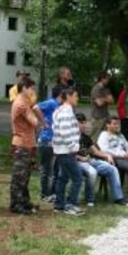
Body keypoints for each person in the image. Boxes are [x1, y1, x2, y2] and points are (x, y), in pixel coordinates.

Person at [75, 113, 128, 207]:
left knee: (112, 169)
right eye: (81, 123)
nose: (84, 125)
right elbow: (69, 154)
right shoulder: (71, 137)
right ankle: (90, 198)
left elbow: (96, 152)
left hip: (90, 161)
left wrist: (107, 155)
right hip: (79, 163)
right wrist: (81, 158)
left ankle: (119, 198)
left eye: (84, 123)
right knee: (92, 172)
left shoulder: (85, 137)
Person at [9, 77, 41, 215]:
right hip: (21, 144)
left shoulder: (26, 102)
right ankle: (16, 204)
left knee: (26, 176)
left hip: (27, 144)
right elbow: (34, 122)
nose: (33, 92)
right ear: (24, 88)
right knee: (19, 177)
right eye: (31, 88)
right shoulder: (21, 104)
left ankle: (24, 202)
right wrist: (33, 108)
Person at [51, 87, 86, 217]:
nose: (77, 98)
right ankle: (71, 205)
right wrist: (73, 146)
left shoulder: (61, 110)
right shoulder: (66, 112)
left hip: (61, 150)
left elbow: (56, 127)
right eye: (76, 96)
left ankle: (59, 205)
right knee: (77, 178)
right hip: (66, 151)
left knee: (63, 178)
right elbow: (64, 131)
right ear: (69, 97)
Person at [37, 87, 63, 202]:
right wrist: (42, 122)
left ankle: (52, 193)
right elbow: (35, 107)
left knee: (54, 170)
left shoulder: (58, 106)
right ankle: (44, 194)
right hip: (46, 140)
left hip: (55, 142)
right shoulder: (51, 102)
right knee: (46, 170)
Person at [89, 72, 114, 142]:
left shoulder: (106, 89)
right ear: (102, 79)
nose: (108, 80)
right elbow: (99, 103)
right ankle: (90, 152)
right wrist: (106, 99)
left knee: (104, 137)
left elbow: (112, 100)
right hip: (97, 117)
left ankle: (100, 152)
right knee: (94, 138)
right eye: (107, 79)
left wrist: (102, 99)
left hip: (105, 116)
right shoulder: (95, 89)